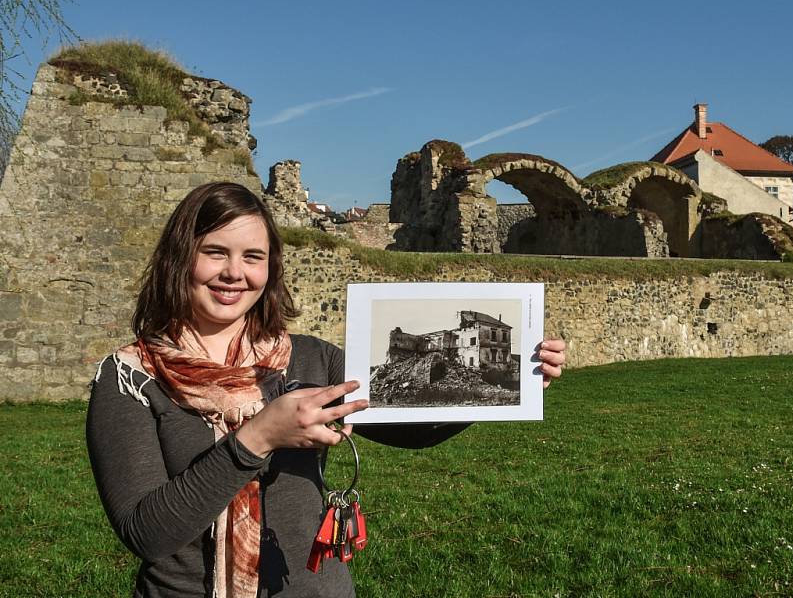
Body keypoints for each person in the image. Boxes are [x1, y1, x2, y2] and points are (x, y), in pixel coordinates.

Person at [87, 182, 566, 598]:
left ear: (270, 268)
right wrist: (258, 438)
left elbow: (412, 430)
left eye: (253, 257)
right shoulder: (131, 376)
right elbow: (146, 533)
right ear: (179, 257)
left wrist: (514, 384)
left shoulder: (311, 358)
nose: (235, 273)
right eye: (215, 252)